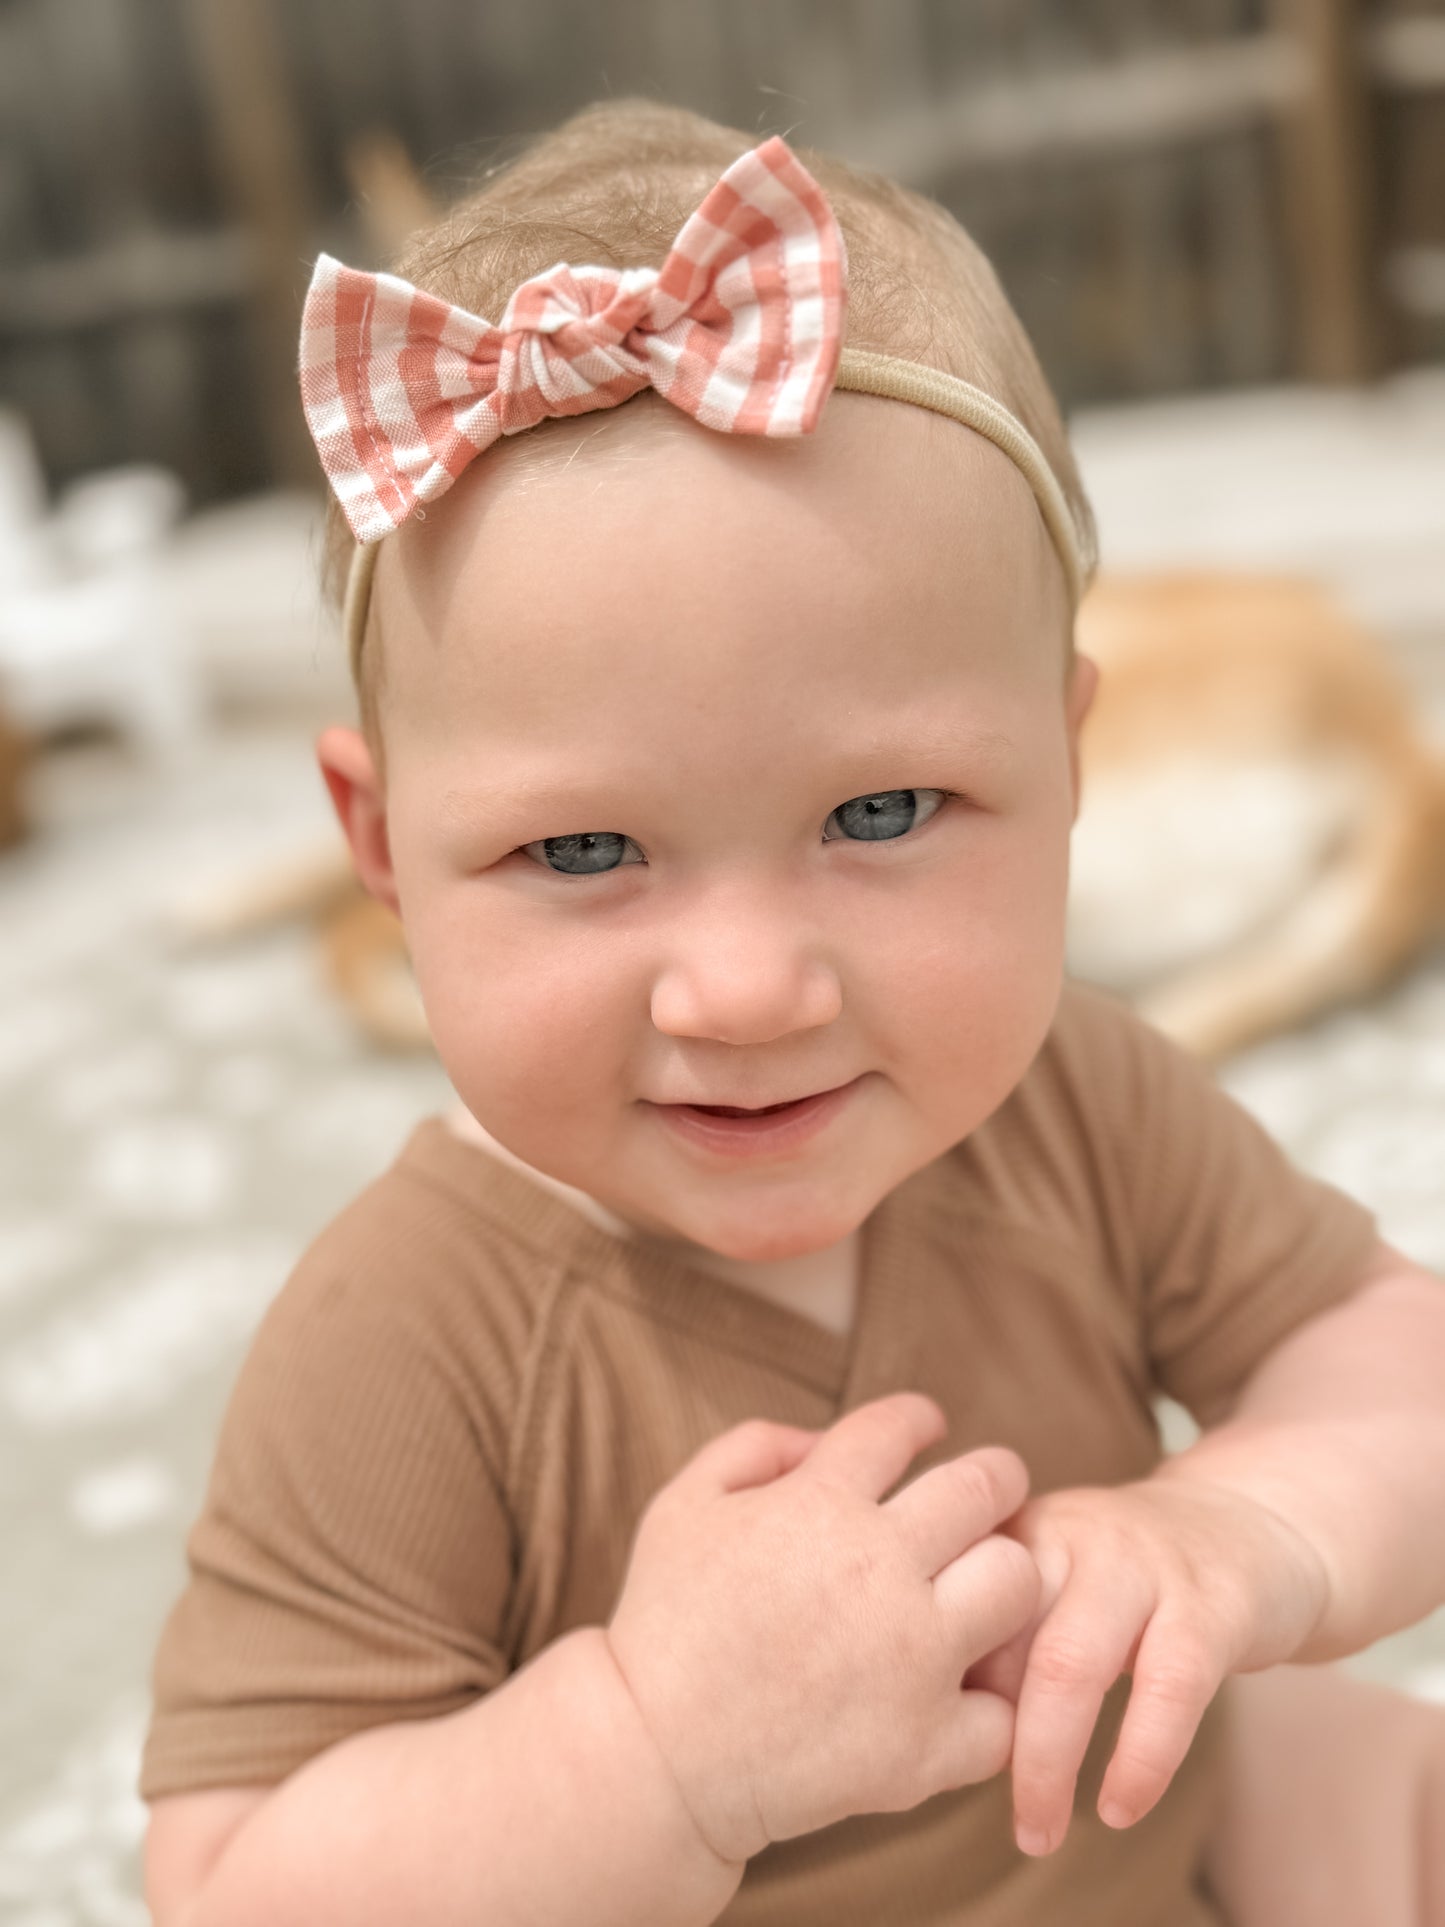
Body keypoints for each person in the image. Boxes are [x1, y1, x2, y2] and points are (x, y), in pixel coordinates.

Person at [138, 100, 1445, 1925]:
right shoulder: (401, 1344)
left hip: (1153, 1836)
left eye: (881, 815)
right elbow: (235, 1886)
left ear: (1064, 768)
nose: (747, 990)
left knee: (1374, 1766)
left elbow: (1390, 1353)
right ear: (378, 845)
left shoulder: (1079, 1099)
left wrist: (1252, 1529)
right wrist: (653, 1748)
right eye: (584, 848)